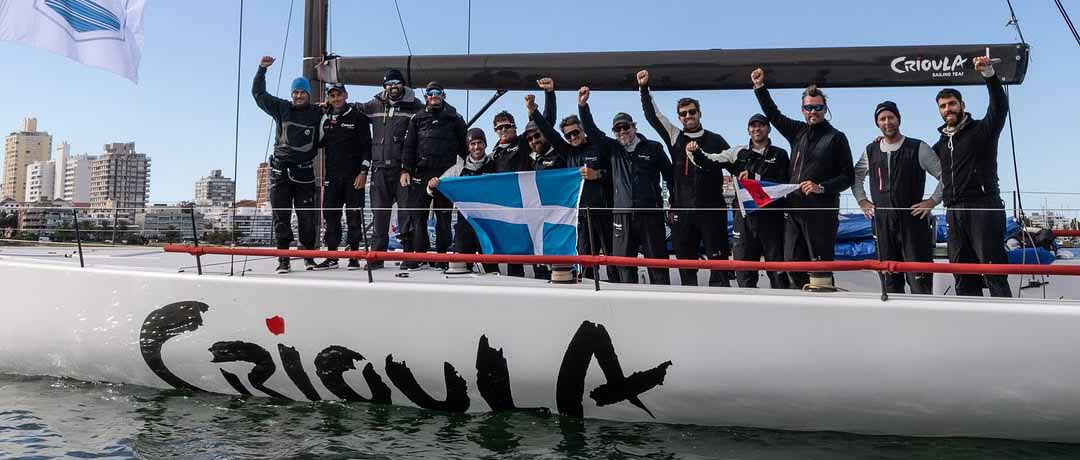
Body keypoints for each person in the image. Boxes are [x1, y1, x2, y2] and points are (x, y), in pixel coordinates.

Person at [752, 68, 854, 290]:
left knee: (820, 270)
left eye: (817, 107)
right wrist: (760, 88)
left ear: (825, 109)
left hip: (821, 214)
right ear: (802, 109)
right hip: (795, 211)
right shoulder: (797, 131)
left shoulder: (836, 138)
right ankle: (802, 311)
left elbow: (848, 176)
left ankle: (824, 315)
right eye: (808, 108)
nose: (813, 112)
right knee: (791, 264)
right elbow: (773, 114)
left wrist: (822, 187)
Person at [638, 69, 732, 287]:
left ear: (699, 113)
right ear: (679, 117)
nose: (688, 116)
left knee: (718, 266)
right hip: (682, 213)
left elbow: (735, 166)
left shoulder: (716, 140)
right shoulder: (675, 136)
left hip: (712, 212)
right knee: (686, 267)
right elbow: (653, 116)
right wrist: (644, 89)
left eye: (692, 112)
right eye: (683, 114)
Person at [932, 55, 1012, 297]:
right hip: (954, 212)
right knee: (962, 274)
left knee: (993, 272)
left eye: (952, 104)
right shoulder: (941, 144)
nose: (948, 109)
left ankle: (1008, 326)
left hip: (984, 207)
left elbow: (999, 109)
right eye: (943, 106)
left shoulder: (982, 130)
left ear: (962, 105)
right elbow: (915, 156)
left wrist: (989, 75)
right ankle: (972, 329)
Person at [578, 86, 673, 285]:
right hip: (621, 215)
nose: (622, 131)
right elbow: (592, 132)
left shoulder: (654, 148)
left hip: (649, 215)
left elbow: (670, 176)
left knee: (657, 265)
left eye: (625, 127)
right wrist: (583, 106)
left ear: (634, 126)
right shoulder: (613, 149)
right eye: (617, 129)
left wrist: (672, 204)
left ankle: (663, 306)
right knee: (623, 265)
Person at [527, 80, 619, 283]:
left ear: (582, 130)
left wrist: (598, 175)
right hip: (581, 216)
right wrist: (533, 111)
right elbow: (549, 134)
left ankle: (616, 289)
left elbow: (616, 175)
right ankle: (585, 291)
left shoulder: (599, 146)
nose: (573, 137)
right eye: (568, 135)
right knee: (584, 258)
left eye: (576, 132)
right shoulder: (568, 152)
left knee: (612, 258)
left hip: (604, 211)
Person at [687, 114, 791, 289]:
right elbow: (708, 161)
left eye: (761, 125)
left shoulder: (780, 154)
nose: (757, 129)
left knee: (778, 273)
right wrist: (695, 151)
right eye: (753, 125)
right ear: (748, 129)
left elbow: (784, 185)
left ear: (768, 128)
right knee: (744, 273)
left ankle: (780, 313)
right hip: (744, 219)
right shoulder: (737, 153)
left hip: (772, 221)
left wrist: (755, 178)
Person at [853, 101, 942, 294]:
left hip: (913, 222)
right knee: (890, 283)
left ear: (898, 119)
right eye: (882, 119)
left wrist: (932, 201)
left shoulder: (919, 147)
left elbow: (946, 177)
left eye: (891, 117)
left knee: (920, 283)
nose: (887, 122)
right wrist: (862, 200)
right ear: (877, 123)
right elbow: (856, 176)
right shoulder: (871, 150)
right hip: (883, 223)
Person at [252, 56, 323, 274]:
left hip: (304, 174)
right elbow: (259, 95)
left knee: (307, 218)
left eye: (302, 92)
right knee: (280, 218)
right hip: (280, 173)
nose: (298, 95)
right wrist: (262, 70)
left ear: (308, 95)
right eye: (295, 92)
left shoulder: (318, 112)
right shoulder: (282, 108)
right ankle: (283, 258)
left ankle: (308, 257)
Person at [355, 69, 424, 269]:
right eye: (389, 83)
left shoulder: (416, 106)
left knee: (406, 214)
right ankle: (377, 257)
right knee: (380, 215)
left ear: (402, 84)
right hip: (379, 170)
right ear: (385, 86)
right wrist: (329, 108)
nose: (393, 86)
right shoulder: (374, 104)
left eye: (397, 82)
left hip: (403, 170)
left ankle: (409, 257)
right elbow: (354, 109)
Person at [489, 81, 557, 277]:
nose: (503, 131)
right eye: (499, 128)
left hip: (530, 206)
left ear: (514, 127)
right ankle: (514, 284)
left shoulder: (524, 142)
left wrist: (548, 94)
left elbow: (547, 124)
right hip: (509, 210)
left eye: (507, 127)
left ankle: (543, 280)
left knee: (537, 247)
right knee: (513, 252)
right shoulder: (493, 154)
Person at [400, 82, 468, 268]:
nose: (434, 95)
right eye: (430, 93)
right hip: (421, 173)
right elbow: (409, 146)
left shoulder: (455, 118)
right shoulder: (417, 118)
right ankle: (419, 255)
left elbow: (464, 146)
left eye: (438, 92)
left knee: (443, 216)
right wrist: (406, 169)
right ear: (426, 97)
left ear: (443, 95)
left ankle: (441, 256)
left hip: (446, 175)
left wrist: (463, 172)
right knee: (418, 216)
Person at [315, 83, 371, 271]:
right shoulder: (326, 118)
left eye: (339, 95)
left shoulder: (358, 117)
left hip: (355, 177)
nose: (336, 99)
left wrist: (364, 172)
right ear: (329, 98)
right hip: (332, 177)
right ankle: (332, 256)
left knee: (354, 217)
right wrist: (321, 115)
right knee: (331, 217)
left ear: (346, 95)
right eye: (332, 96)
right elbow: (319, 142)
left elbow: (367, 148)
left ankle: (354, 255)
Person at [429, 128, 500, 274]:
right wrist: (431, 185)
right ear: (468, 147)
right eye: (472, 143)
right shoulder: (458, 169)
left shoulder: (495, 165)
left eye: (480, 142)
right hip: (465, 225)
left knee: (492, 269)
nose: (476, 147)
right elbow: (436, 187)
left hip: (488, 226)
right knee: (459, 270)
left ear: (485, 144)